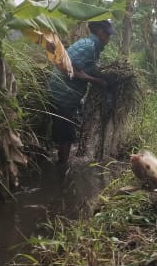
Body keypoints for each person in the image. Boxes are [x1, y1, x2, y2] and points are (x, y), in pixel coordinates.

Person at [47, 20, 115, 174]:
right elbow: (64, 66)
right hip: (62, 95)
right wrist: (95, 80)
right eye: (108, 35)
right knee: (67, 135)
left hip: (66, 96)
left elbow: (81, 67)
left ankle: (60, 164)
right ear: (100, 33)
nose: (109, 39)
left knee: (64, 132)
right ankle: (62, 172)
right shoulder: (89, 47)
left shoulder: (92, 47)